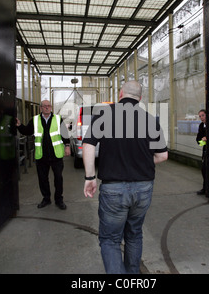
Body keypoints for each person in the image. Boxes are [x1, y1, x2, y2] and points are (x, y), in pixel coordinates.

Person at [82, 81, 168, 274]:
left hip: (114, 189)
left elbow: (88, 146)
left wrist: (90, 177)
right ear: (140, 98)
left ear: (120, 94)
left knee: (110, 240)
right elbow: (163, 155)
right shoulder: (150, 120)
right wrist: (142, 162)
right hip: (144, 188)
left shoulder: (103, 115)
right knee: (134, 234)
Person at [16, 100, 70, 210]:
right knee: (42, 179)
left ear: (51, 107)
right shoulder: (35, 120)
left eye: (48, 106)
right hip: (41, 155)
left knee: (58, 178)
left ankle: (59, 200)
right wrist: (19, 125)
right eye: (44, 106)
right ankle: (46, 199)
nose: (47, 108)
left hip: (56, 155)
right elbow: (27, 131)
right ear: (40, 108)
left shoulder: (57, 119)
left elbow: (64, 133)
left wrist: (67, 146)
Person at [196, 109, 207, 195]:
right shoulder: (201, 126)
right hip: (206, 151)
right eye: (200, 116)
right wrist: (203, 141)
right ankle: (205, 188)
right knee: (204, 169)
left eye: (203, 115)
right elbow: (198, 140)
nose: (201, 118)